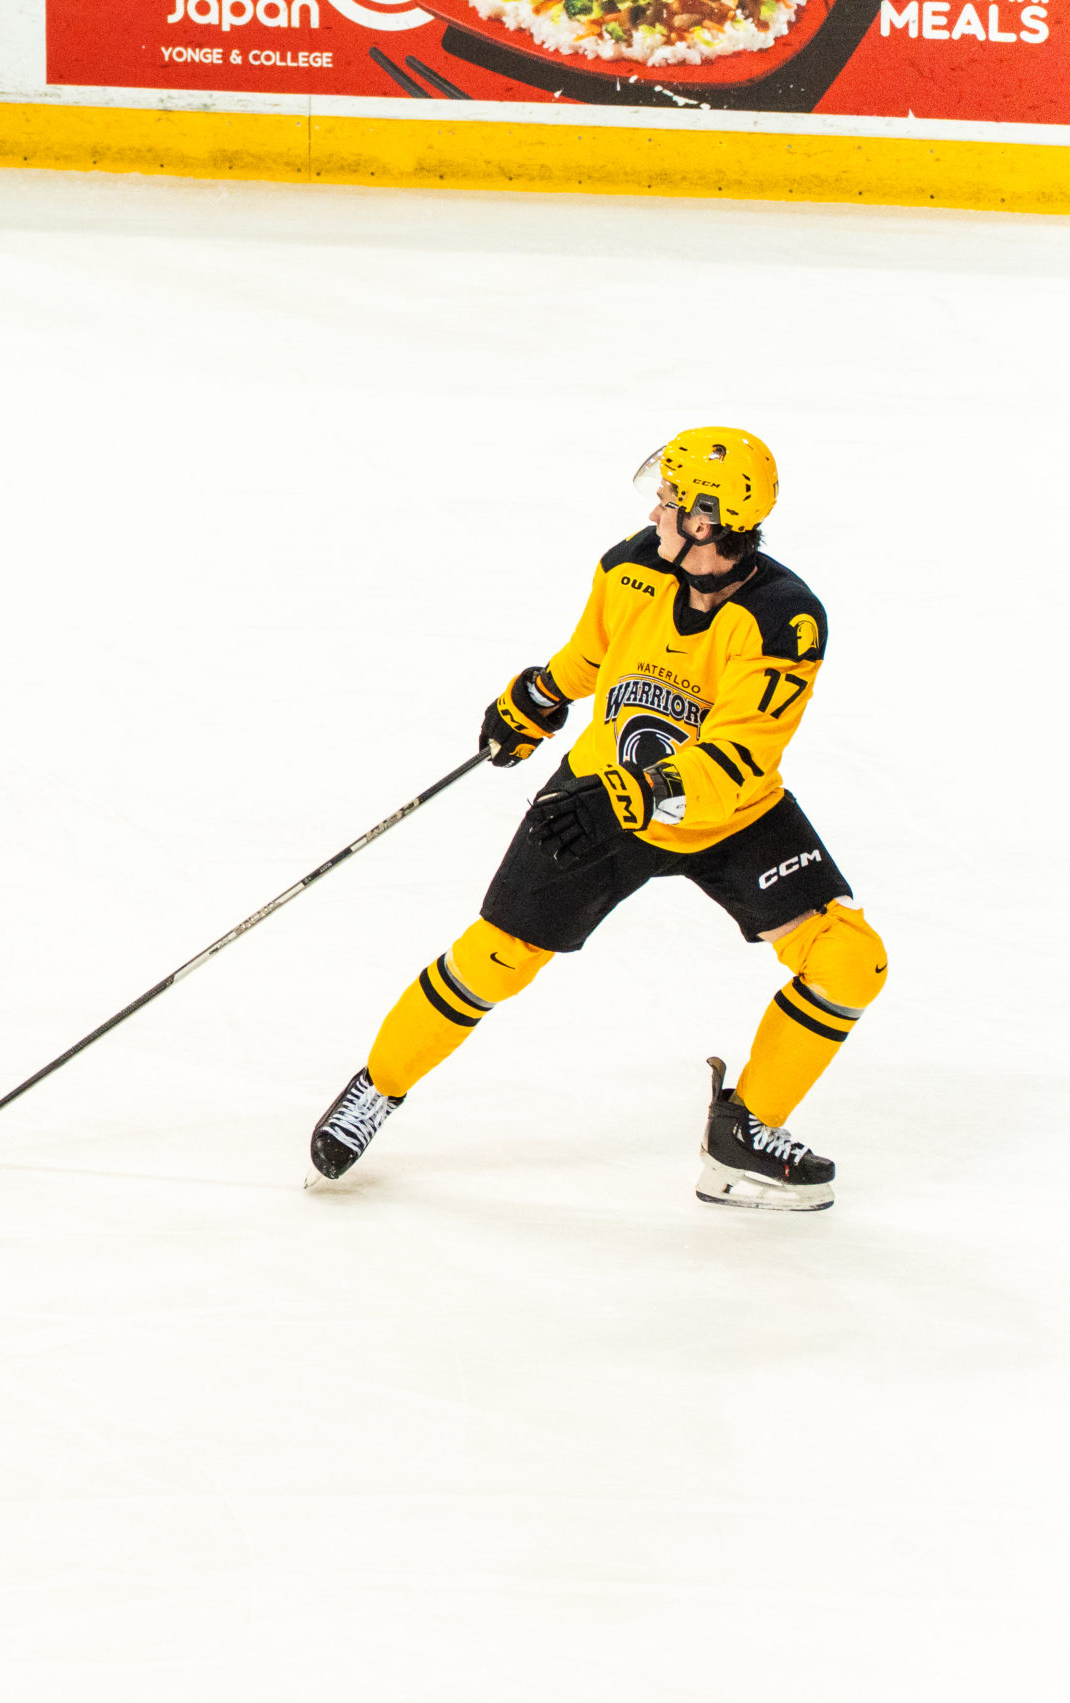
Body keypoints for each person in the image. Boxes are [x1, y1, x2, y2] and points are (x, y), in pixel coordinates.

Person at [306, 428, 886, 1212]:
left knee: (851, 959)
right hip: (600, 798)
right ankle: (377, 1089)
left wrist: (636, 797)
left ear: (710, 520)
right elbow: (593, 654)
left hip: (727, 817)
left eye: (674, 500)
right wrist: (540, 697)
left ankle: (743, 1133)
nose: (658, 508)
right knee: (495, 959)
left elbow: (738, 760)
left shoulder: (785, 621)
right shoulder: (629, 566)